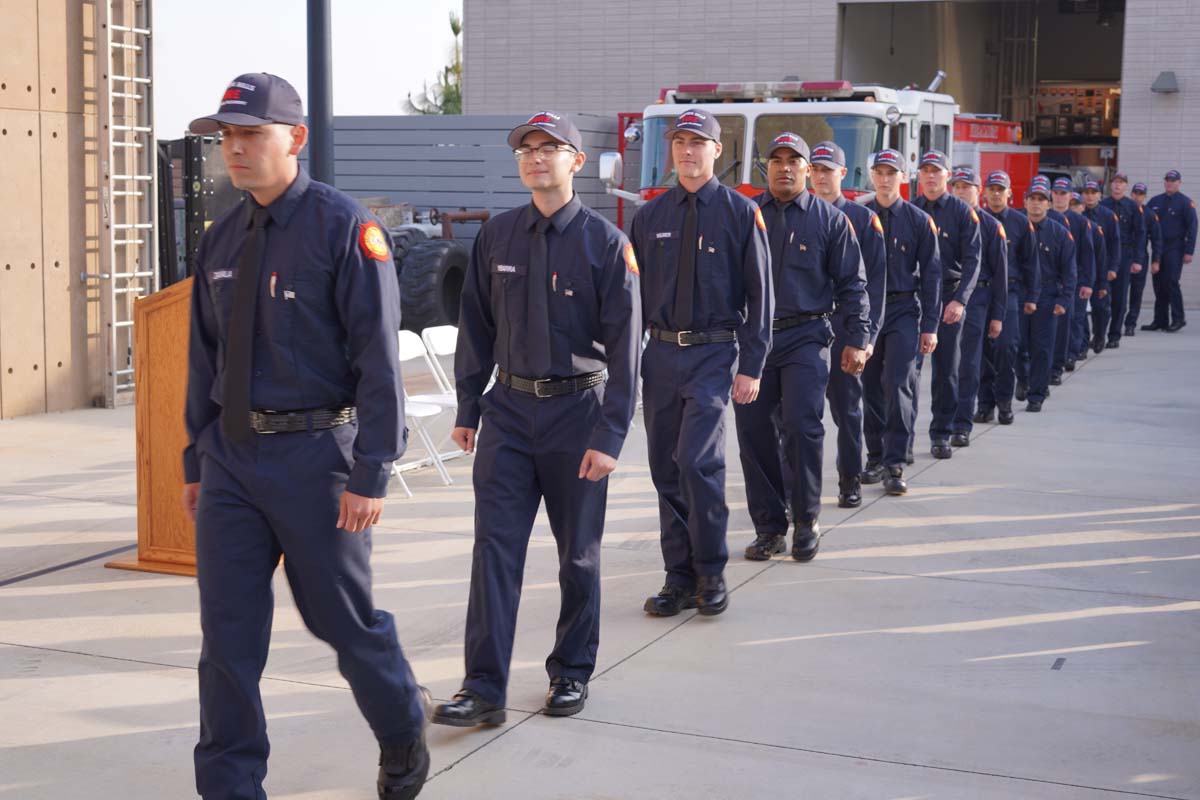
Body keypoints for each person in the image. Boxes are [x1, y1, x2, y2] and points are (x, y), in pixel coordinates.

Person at [181, 73, 429, 800]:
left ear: (295, 138)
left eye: (250, 133)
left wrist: (371, 471)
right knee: (226, 641)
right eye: (226, 136)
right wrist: (196, 457)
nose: (235, 148)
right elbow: (204, 358)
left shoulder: (345, 229)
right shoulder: (222, 238)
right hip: (231, 463)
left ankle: (400, 727)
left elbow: (379, 359)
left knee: (342, 624)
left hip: (318, 460)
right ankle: (229, 786)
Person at [433, 111, 642, 726]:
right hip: (509, 414)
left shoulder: (606, 245)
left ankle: (571, 673)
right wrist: (469, 404)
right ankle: (483, 689)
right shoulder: (496, 238)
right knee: (494, 551)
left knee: (577, 555)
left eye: (550, 148)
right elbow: (475, 328)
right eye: (526, 148)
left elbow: (628, 349)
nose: (535, 158)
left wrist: (611, 433)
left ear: (576, 162)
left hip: (577, 416)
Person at [634, 109, 772, 616]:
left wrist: (751, 364)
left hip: (715, 352)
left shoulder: (740, 213)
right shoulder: (650, 217)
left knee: (698, 463)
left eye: (698, 143)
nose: (687, 151)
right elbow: (633, 301)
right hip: (662, 354)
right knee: (665, 469)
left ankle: (711, 571)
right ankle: (679, 576)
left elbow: (761, 294)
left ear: (717, 150)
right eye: (680, 143)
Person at [736, 133, 869, 562]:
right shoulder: (748, 215)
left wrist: (859, 339)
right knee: (754, 434)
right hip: (754, 340)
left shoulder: (830, 221)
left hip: (807, 337)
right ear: (767, 168)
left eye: (794, 160)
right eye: (776, 160)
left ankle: (806, 520)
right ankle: (769, 527)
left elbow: (853, 284)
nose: (784, 167)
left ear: (809, 170)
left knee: (801, 426)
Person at [810, 140, 887, 508]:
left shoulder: (862, 219)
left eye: (829, 169)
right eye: (816, 169)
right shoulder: (796, 213)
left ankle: (849, 478)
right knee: (796, 417)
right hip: (804, 332)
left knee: (847, 411)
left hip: (845, 327)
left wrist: (866, 335)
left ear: (843, 173)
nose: (821, 176)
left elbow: (875, 283)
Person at [861, 149, 941, 496]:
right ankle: (875, 456)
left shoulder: (919, 220)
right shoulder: (860, 216)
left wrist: (930, 325)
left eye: (891, 173)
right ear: (871, 176)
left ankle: (895, 461)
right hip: (866, 314)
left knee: (899, 384)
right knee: (869, 388)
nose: (884, 178)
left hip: (903, 310)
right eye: (879, 172)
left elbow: (933, 276)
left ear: (903, 177)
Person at [911, 150, 981, 460]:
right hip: (914, 300)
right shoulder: (910, 211)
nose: (930, 176)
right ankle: (902, 441)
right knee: (906, 374)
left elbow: (973, 261)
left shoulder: (963, 212)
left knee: (946, 372)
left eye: (936, 171)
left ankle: (942, 432)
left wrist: (960, 301)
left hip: (949, 298)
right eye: (925, 171)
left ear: (947, 175)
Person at [949, 168, 1006, 445]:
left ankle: (962, 424)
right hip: (945, 300)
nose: (961, 192)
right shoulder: (942, 219)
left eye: (966, 186)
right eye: (956, 187)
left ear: (978, 189)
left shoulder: (991, 226)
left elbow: (1000, 276)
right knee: (947, 366)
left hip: (978, 302)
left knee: (969, 364)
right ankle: (945, 419)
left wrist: (997, 316)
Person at [976, 170, 1038, 426]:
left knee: (1005, 348)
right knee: (980, 352)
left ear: (1009, 193)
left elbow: (1031, 263)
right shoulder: (975, 220)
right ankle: (984, 405)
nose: (996, 193)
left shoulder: (1020, 223)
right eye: (992, 189)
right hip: (980, 291)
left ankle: (1004, 402)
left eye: (1001, 189)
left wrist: (1032, 296)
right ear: (985, 192)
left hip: (1010, 293)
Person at [1022, 181, 1076, 413]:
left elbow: (1069, 270)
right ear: (1025, 201)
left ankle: (1036, 393)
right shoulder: (1016, 226)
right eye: (1032, 199)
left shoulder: (1060, 233)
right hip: (1019, 294)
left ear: (1048, 203)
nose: (1036, 204)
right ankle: (1023, 381)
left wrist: (1063, 300)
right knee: (1016, 345)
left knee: (1042, 348)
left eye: (1041, 199)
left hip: (1047, 295)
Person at [1050, 179, 1096, 379]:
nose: (1060, 197)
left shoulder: (1080, 222)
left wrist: (1088, 283)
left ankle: (1067, 357)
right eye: (1057, 193)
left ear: (1070, 196)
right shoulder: (1042, 218)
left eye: (1064, 193)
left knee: (1070, 321)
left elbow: (1088, 254)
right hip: (1048, 280)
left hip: (1072, 280)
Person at [1145, 170, 1198, 332]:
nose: (1169, 183)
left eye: (1173, 180)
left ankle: (1178, 318)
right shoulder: (1155, 201)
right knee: (1158, 284)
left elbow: (1193, 228)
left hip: (1175, 247)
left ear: (1179, 182)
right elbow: (1144, 224)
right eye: (1167, 180)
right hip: (1158, 248)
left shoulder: (1185, 203)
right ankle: (1160, 320)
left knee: (1171, 282)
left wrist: (1189, 251)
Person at [1099, 172, 1146, 348]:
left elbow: (1141, 234)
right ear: (1110, 185)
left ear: (1126, 186)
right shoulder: (1102, 205)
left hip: (1125, 256)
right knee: (1102, 299)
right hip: (1105, 256)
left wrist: (1138, 260)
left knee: (1119, 299)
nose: (1118, 185)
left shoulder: (1133, 207)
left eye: (1121, 183)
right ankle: (1099, 335)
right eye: (1115, 182)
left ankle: (1114, 336)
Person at [1082, 179, 1121, 352]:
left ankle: (1099, 336)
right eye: (1086, 192)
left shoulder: (1108, 215)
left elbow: (1115, 243)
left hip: (1101, 269)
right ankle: (1081, 344)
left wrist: (1113, 268)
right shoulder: (1078, 213)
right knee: (1079, 310)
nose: (1089, 196)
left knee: (1101, 307)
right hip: (1082, 269)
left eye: (1093, 192)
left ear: (1099, 195)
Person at [1126, 182, 1162, 335]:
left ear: (1144, 196)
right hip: (1123, 256)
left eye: (1141, 194)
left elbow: (1157, 239)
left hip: (1140, 257)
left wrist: (1156, 260)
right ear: (1131, 193)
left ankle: (1130, 324)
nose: (1137, 196)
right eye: (1135, 193)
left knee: (1136, 292)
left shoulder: (1149, 214)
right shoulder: (1124, 208)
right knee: (1118, 293)